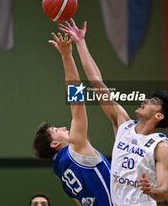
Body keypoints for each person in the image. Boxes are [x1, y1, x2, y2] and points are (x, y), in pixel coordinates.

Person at [59, 19, 168, 206]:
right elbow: (96, 81)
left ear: (159, 116)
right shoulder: (123, 123)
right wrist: (81, 43)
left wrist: (151, 190)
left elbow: (163, 193)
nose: (144, 100)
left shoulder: (159, 146)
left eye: (152, 101)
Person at [32, 32, 112, 206]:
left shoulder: (61, 173)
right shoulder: (76, 148)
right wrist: (67, 56)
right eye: (55, 130)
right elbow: (76, 101)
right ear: (54, 144)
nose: (61, 128)